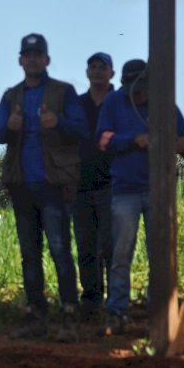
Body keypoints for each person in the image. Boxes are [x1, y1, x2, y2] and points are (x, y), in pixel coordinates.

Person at [0, 33, 88, 342]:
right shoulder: (11, 96)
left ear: (47, 60)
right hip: (22, 185)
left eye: (38, 55)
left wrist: (57, 122)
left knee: (61, 252)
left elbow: (81, 131)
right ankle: (37, 317)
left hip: (53, 186)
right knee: (29, 254)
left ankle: (70, 317)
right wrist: (10, 126)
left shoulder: (64, 92)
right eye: (27, 55)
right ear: (20, 60)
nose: (32, 59)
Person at [95, 59, 184, 334]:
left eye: (141, 88)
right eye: (132, 88)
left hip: (158, 190)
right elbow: (102, 140)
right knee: (120, 255)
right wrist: (132, 139)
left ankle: (158, 309)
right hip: (125, 190)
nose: (137, 94)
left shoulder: (164, 104)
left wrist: (179, 145)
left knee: (160, 254)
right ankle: (116, 311)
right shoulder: (114, 103)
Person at [73, 52, 116, 322]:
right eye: (93, 67)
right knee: (86, 245)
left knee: (111, 246)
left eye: (103, 67)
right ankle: (90, 299)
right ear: (87, 72)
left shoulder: (120, 102)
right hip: (81, 184)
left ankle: (116, 301)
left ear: (111, 74)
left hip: (113, 184)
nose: (97, 71)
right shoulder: (77, 104)